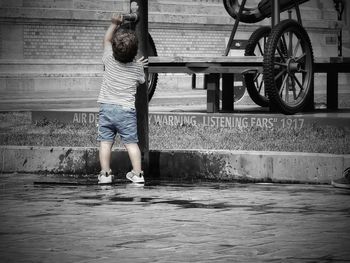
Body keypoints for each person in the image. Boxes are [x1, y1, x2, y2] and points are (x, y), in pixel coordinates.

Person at [97, 13, 147, 184]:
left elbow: (106, 40)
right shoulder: (137, 68)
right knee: (131, 143)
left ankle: (105, 174)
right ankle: (137, 174)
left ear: (114, 49)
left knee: (105, 143)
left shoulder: (108, 60)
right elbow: (142, 81)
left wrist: (113, 24)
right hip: (126, 111)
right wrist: (138, 65)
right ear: (134, 52)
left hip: (107, 109)